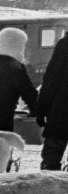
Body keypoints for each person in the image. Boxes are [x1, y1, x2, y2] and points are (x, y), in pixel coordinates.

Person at [37, 31, 68, 171]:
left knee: (51, 162)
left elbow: (50, 80)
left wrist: (41, 109)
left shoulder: (64, 44)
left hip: (61, 113)